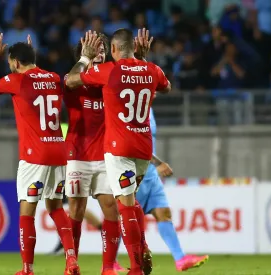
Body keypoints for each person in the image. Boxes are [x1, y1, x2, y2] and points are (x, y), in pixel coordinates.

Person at [66, 29, 171, 275]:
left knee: (123, 206)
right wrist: (143, 60)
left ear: (113, 50)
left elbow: (72, 79)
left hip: (118, 150)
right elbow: (165, 87)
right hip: (142, 149)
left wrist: (84, 58)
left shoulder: (109, 72)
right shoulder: (151, 69)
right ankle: (141, 247)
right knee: (130, 202)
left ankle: (134, 266)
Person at [0, 32, 80, 275]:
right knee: (55, 208)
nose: (10, 66)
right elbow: (38, 76)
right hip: (58, 150)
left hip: (35, 156)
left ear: (16, 63)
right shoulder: (53, 78)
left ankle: (27, 268)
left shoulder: (16, 80)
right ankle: (71, 260)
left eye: (11, 62)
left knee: (27, 211)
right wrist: (28, 58)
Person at [63, 33, 125, 275]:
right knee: (76, 210)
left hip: (106, 155)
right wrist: (83, 58)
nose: (99, 51)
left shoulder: (111, 75)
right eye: (93, 47)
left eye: (102, 47)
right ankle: (72, 263)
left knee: (111, 208)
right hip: (78, 154)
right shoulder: (74, 79)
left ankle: (108, 267)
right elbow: (69, 81)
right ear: (84, 50)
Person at [136, 108, 209, 271]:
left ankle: (180, 259)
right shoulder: (132, 106)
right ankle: (110, 262)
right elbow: (134, 142)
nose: (154, 89)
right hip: (134, 171)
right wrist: (158, 163)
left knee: (163, 213)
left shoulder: (149, 109)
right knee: (126, 218)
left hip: (150, 174)